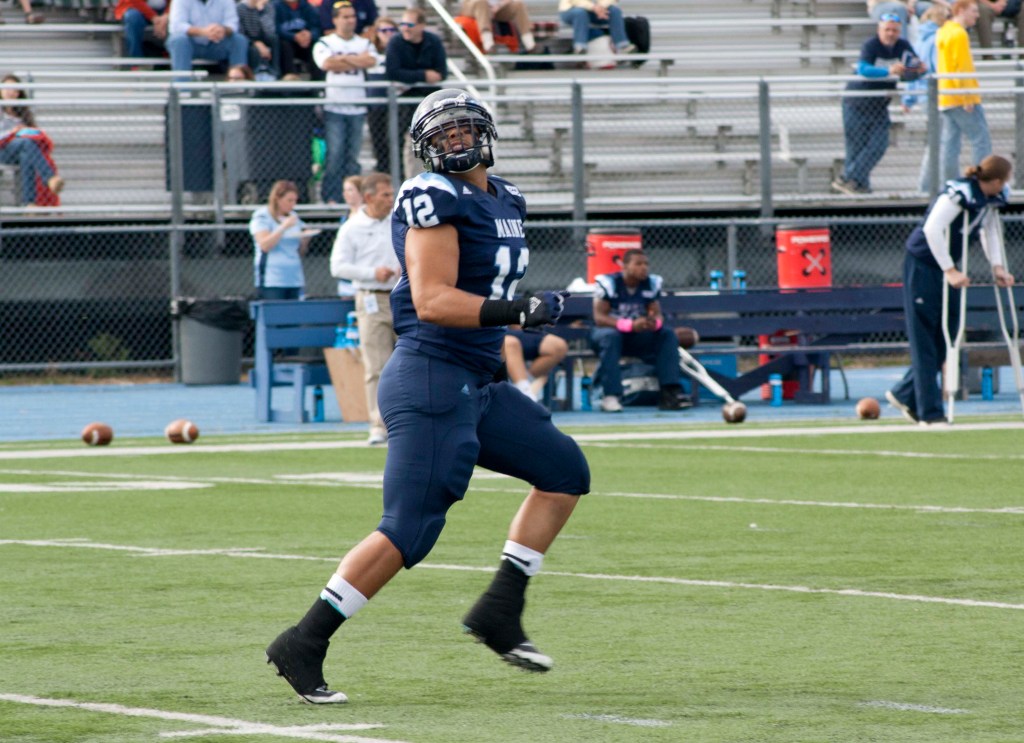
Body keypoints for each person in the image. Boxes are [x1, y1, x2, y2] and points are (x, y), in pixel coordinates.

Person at [265, 89, 589, 704]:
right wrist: (521, 310)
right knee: (409, 529)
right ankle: (303, 641)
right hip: (433, 373)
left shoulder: (508, 197)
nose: (456, 142)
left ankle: (500, 608)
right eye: (442, 136)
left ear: (487, 133)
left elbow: (484, 286)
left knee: (564, 471)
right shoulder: (429, 194)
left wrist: (538, 307)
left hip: (476, 378)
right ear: (423, 148)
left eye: (465, 130)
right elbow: (436, 300)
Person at [886, 154, 1013, 425]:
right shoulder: (958, 194)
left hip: (948, 269)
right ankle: (929, 413)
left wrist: (998, 266)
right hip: (924, 265)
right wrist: (950, 269)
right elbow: (932, 229)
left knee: (948, 336)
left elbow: (989, 230)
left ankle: (905, 393)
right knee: (925, 339)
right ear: (997, 180)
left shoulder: (991, 200)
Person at [329, 172, 399, 446]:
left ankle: (410, 422)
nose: (391, 199)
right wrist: (372, 272)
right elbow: (338, 266)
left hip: (404, 297)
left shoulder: (400, 221)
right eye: (385, 194)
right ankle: (378, 424)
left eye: (392, 194)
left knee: (412, 362)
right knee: (376, 365)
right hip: (372, 299)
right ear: (368, 197)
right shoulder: (352, 227)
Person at [832, 13, 925, 196]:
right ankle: (860, 188)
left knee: (879, 144)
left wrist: (919, 70)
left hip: (879, 104)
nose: (890, 34)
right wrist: (889, 70)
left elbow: (912, 71)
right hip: (856, 103)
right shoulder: (870, 45)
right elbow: (864, 69)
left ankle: (847, 178)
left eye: (895, 30)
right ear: (879, 30)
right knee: (855, 148)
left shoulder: (903, 46)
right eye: (887, 30)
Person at [590, 249, 689, 412]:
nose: (644, 268)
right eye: (638, 264)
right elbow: (599, 318)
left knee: (667, 334)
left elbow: (657, 314)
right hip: (607, 334)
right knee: (611, 336)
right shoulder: (609, 283)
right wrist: (629, 325)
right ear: (625, 266)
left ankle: (670, 392)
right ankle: (611, 396)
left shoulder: (651, 283)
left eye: (646, 264)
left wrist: (651, 323)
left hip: (635, 336)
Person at [312, 0, 377, 204]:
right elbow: (327, 63)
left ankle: (355, 198)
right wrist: (356, 58)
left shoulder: (364, 42)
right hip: (335, 106)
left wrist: (343, 59)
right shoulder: (325, 42)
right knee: (335, 155)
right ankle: (330, 197)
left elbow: (371, 61)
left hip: (357, 107)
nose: (350, 21)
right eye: (346, 17)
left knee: (353, 158)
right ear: (335, 20)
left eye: (353, 16)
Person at [384, 8, 447, 179]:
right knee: (410, 144)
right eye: (402, 24)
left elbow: (441, 72)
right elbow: (393, 72)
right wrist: (423, 75)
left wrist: (414, 76)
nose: (405, 28)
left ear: (421, 26)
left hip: (430, 101)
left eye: (410, 24)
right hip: (406, 102)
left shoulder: (433, 41)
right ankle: (413, 181)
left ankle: (440, 177)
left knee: (436, 140)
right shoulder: (396, 42)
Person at [936, 0, 992, 185]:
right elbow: (961, 68)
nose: (977, 15)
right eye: (974, 11)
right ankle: (981, 182)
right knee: (980, 139)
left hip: (947, 95)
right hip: (961, 97)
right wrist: (967, 96)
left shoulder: (944, 30)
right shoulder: (959, 34)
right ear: (960, 10)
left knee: (950, 143)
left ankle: (948, 183)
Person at [0, 74, 63, 208]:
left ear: (18, 93)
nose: (10, 92)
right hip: (2, 150)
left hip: (18, 151)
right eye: (6, 88)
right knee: (27, 143)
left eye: (14, 90)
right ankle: (50, 178)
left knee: (27, 155)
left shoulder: (22, 113)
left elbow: (32, 133)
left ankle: (29, 204)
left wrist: (29, 131)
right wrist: (11, 133)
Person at [250, 179, 313, 299]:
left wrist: (305, 240)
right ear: (277, 199)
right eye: (289, 200)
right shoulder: (262, 216)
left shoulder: (294, 217)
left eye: (295, 201)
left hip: (294, 278)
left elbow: (299, 251)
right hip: (272, 280)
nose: (292, 205)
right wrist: (283, 227)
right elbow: (264, 245)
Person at [166, 0, 249, 79]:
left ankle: (239, 88)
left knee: (239, 40)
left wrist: (222, 30)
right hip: (189, 44)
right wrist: (203, 32)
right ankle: (182, 89)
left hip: (216, 43)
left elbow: (232, 23)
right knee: (179, 40)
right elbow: (176, 26)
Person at [365, 16, 397, 175]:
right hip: (376, 104)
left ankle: (398, 174)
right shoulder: (369, 50)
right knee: (379, 142)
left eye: (392, 30)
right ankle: (383, 174)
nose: (388, 34)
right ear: (377, 33)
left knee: (395, 142)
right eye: (384, 30)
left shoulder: (400, 51)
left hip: (396, 105)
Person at [502, 328, 569, 402]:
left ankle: (523, 389)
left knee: (558, 346)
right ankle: (525, 393)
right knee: (510, 342)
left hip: (508, 330)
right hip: (490, 331)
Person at [558, 0, 635, 56]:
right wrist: (594, 7)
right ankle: (580, 47)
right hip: (570, 10)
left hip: (596, 11)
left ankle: (622, 45)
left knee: (615, 11)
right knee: (580, 13)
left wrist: (601, 7)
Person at [459, 0, 536, 53]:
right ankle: (488, 43)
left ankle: (530, 44)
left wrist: (498, 6)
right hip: (473, 6)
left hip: (495, 8)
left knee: (518, 4)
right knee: (482, 3)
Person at [273, 0, 321, 78]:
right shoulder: (276, 6)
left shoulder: (307, 6)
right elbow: (276, 29)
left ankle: (318, 82)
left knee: (316, 45)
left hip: (305, 41)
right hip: (286, 41)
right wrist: (294, 36)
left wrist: (310, 35)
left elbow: (316, 27)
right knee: (284, 44)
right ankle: (291, 77)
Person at [236, 0, 280, 80]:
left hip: (264, 37)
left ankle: (275, 72)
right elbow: (240, 33)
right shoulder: (240, 8)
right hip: (247, 40)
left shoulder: (268, 7)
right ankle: (254, 75)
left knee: (275, 39)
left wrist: (261, 12)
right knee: (253, 49)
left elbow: (270, 31)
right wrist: (255, 42)